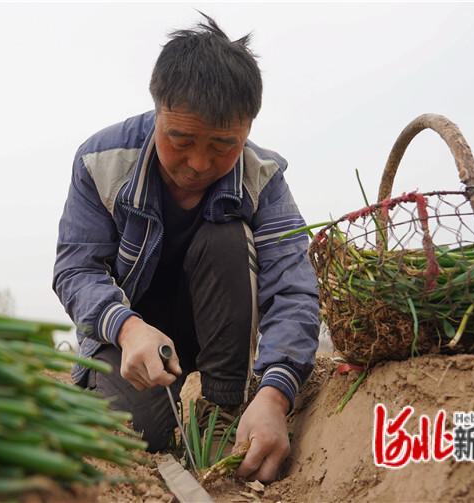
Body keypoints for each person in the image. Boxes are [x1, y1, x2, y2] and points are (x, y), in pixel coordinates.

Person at [53, 14, 319, 483]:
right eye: (181, 140)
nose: (199, 163)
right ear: (158, 110)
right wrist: (128, 328)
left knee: (225, 236)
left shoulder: (264, 177)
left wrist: (276, 394)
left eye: (223, 145)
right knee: (136, 432)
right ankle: (137, 400)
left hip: (220, 331)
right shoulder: (102, 161)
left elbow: (293, 288)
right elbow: (77, 269)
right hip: (134, 339)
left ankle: (220, 409)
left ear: (248, 127)